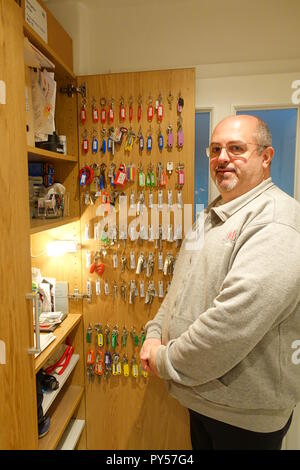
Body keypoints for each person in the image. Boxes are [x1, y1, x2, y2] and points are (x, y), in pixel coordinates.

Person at [140, 114, 300, 450]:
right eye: (215, 150)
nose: (222, 158)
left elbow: (233, 323)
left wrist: (166, 360)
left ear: (266, 157)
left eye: (236, 148)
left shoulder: (275, 222)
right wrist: (154, 333)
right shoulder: (212, 214)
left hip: (243, 417)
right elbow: (179, 287)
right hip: (204, 398)